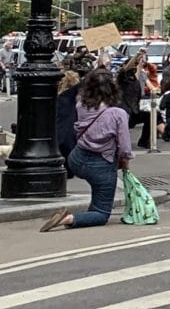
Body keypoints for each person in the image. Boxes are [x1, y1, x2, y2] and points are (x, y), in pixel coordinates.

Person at [40, 69, 134, 232]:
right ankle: (69, 218)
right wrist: (125, 161)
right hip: (101, 164)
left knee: (97, 191)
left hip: (76, 158)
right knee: (101, 213)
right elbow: (125, 146)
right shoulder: (118, 114)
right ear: (113, 88)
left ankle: (89, 213)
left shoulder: (81, 105)